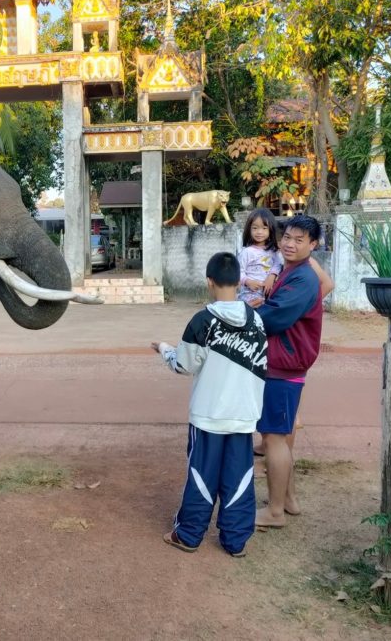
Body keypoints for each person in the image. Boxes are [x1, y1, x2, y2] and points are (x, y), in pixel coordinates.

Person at [152, 252, 267, 558]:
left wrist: (164, 349)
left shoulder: (202, 321)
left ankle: (188, 535)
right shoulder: (257, 320)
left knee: (202, 475)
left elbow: (183, 366)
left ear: (209, 282)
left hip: (208, 416)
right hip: (244, 415)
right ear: (238, 280)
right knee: (239, 477)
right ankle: (235, 541)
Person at [253, 215, 323, 529]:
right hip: (286, 363)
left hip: (283, 365)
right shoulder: (292, 270)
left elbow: (277, 317)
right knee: (281, 437)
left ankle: (275, 512)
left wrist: (241, 315)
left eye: (298, 240)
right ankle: (289, 501)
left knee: (274, 439)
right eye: (287, 238)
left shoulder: (304, 277)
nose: (289, 244)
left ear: (313, 245)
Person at [238, 208, 284, 306]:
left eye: (264, 228)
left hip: (269, 292)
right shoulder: (246, 252)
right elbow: (239, 271)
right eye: (255, 228)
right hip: (250, 293)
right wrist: (248, 281)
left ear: (270, 229)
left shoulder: (273, 251)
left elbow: (277, 264)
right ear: (249, 229)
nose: (259, 232)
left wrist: (272, 276)